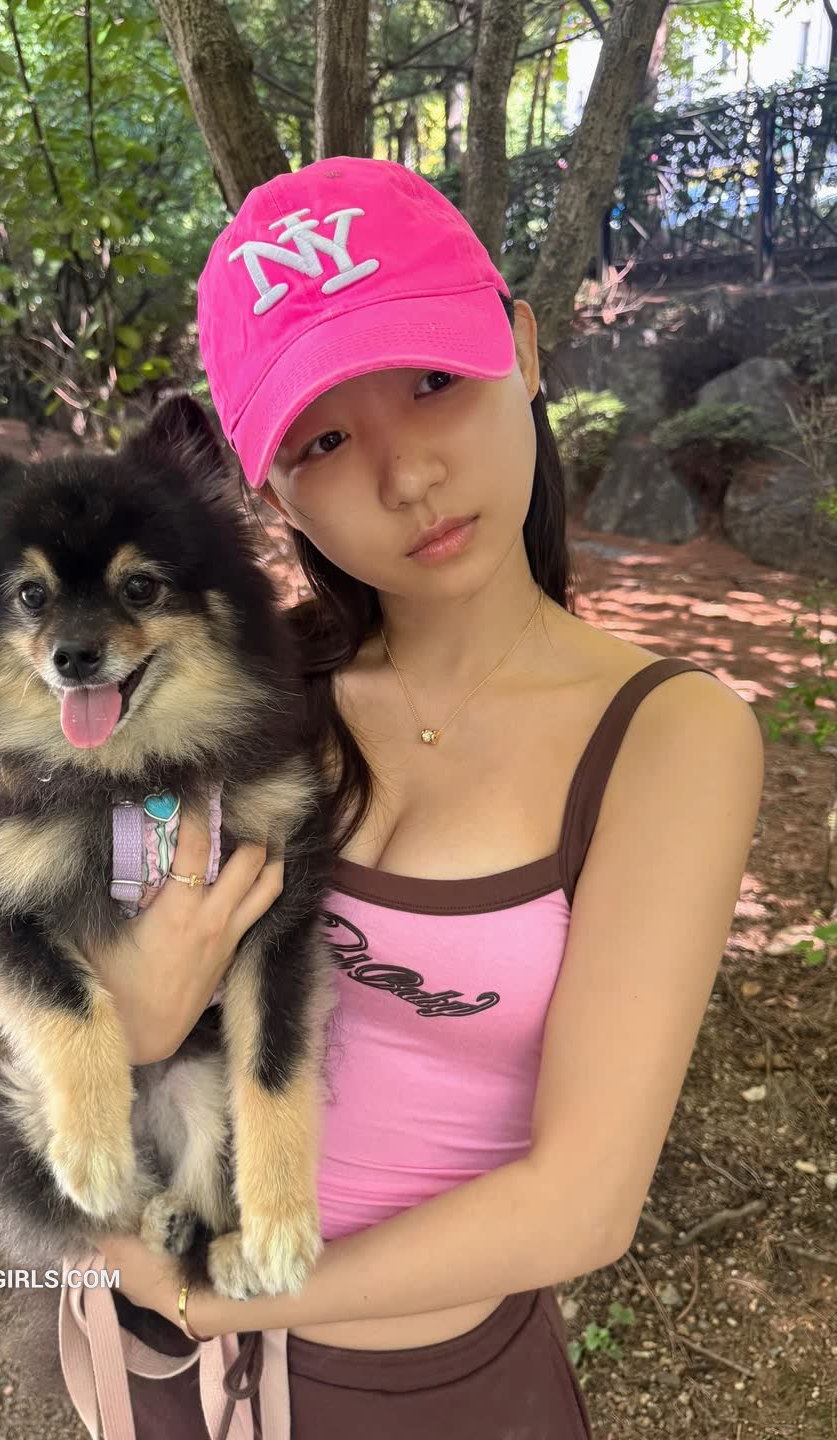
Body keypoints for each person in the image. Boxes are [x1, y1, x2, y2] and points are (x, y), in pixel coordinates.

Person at [76, 156, 764, 1438]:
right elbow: (78, 964)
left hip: (420, 1390)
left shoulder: (670, 741)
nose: (406, 477)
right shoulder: (231, 698)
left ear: (523, 349)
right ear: (271, 489)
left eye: (434, 382)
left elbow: (582, 1204)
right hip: (157, 1351)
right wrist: (133, 1013)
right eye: (326, 440)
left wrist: (225, 1301)